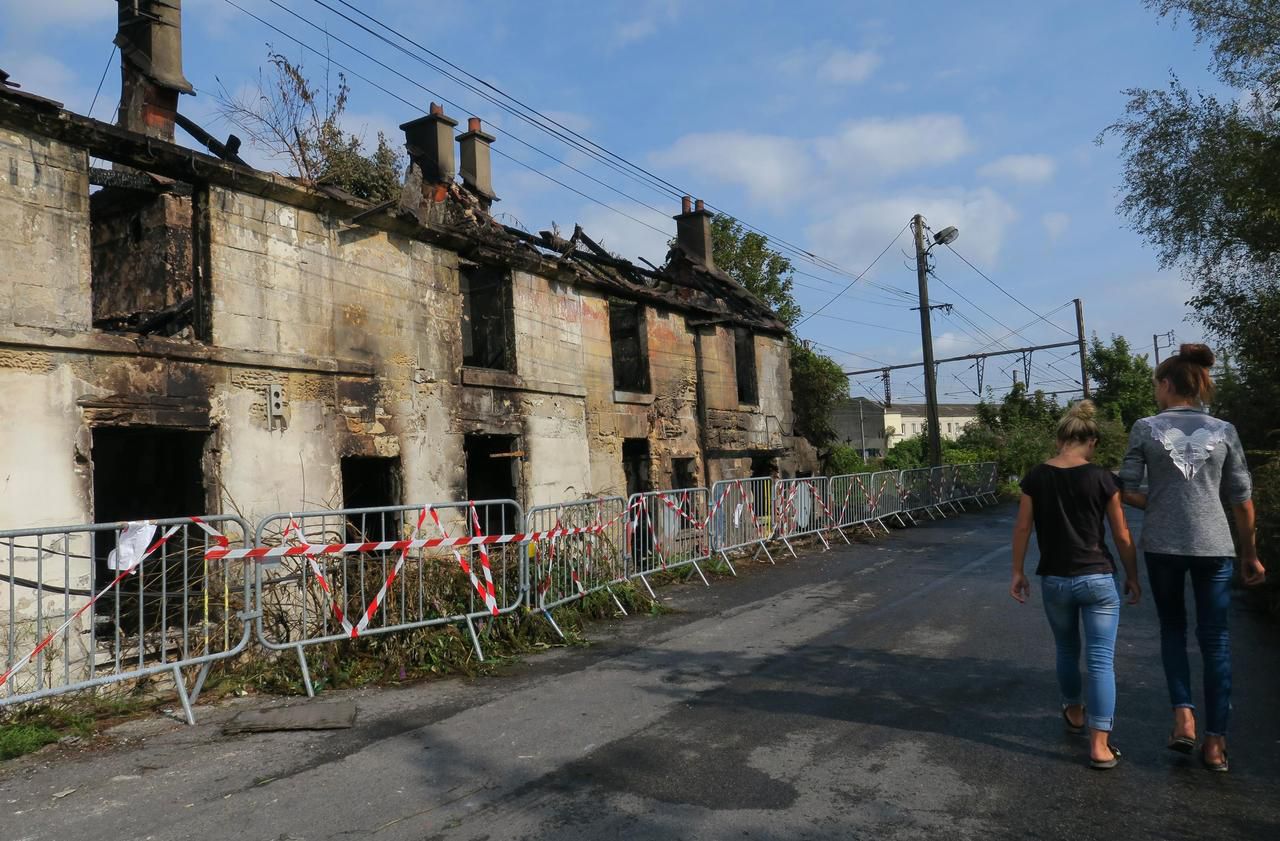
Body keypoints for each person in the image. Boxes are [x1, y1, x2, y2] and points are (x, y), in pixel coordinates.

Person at [1119, 343, 1263, 773]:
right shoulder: (1225, 430)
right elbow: (1241, 499)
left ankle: (1183, 717)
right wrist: (1250, 555)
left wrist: (1161, 502)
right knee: (1215, 639)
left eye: (1156, 387)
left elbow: (1126, 488)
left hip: (1163, 545)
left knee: (1172, 629)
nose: (1155, 395)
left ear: (1166, 385)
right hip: (1215, 547)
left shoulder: (1145, 428)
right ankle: (1216, 743)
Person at [1010, 400, 1140, 770]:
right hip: (1098, 578)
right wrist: (1132, 576)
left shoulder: (1036, 476)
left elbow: (1023, 527)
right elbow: (1121, 533)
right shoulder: (1103, 478)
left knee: (1067, 650)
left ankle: (1074, 711)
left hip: (1055, 579)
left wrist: (1017, 571)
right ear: (1092, 441)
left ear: (1059, 439)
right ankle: (1100, 746)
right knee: (1101, 661)